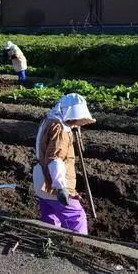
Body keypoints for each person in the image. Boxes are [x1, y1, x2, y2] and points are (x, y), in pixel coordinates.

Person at [33, 93, 96, 235]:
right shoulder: (60, 129)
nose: (77, 122)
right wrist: (61, 187)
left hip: (40, 179)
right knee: (76, 216)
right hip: (52, 184)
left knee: (50, 216)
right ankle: (79, 243)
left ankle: (50, 239)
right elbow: (55, 159)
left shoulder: (49, 120)